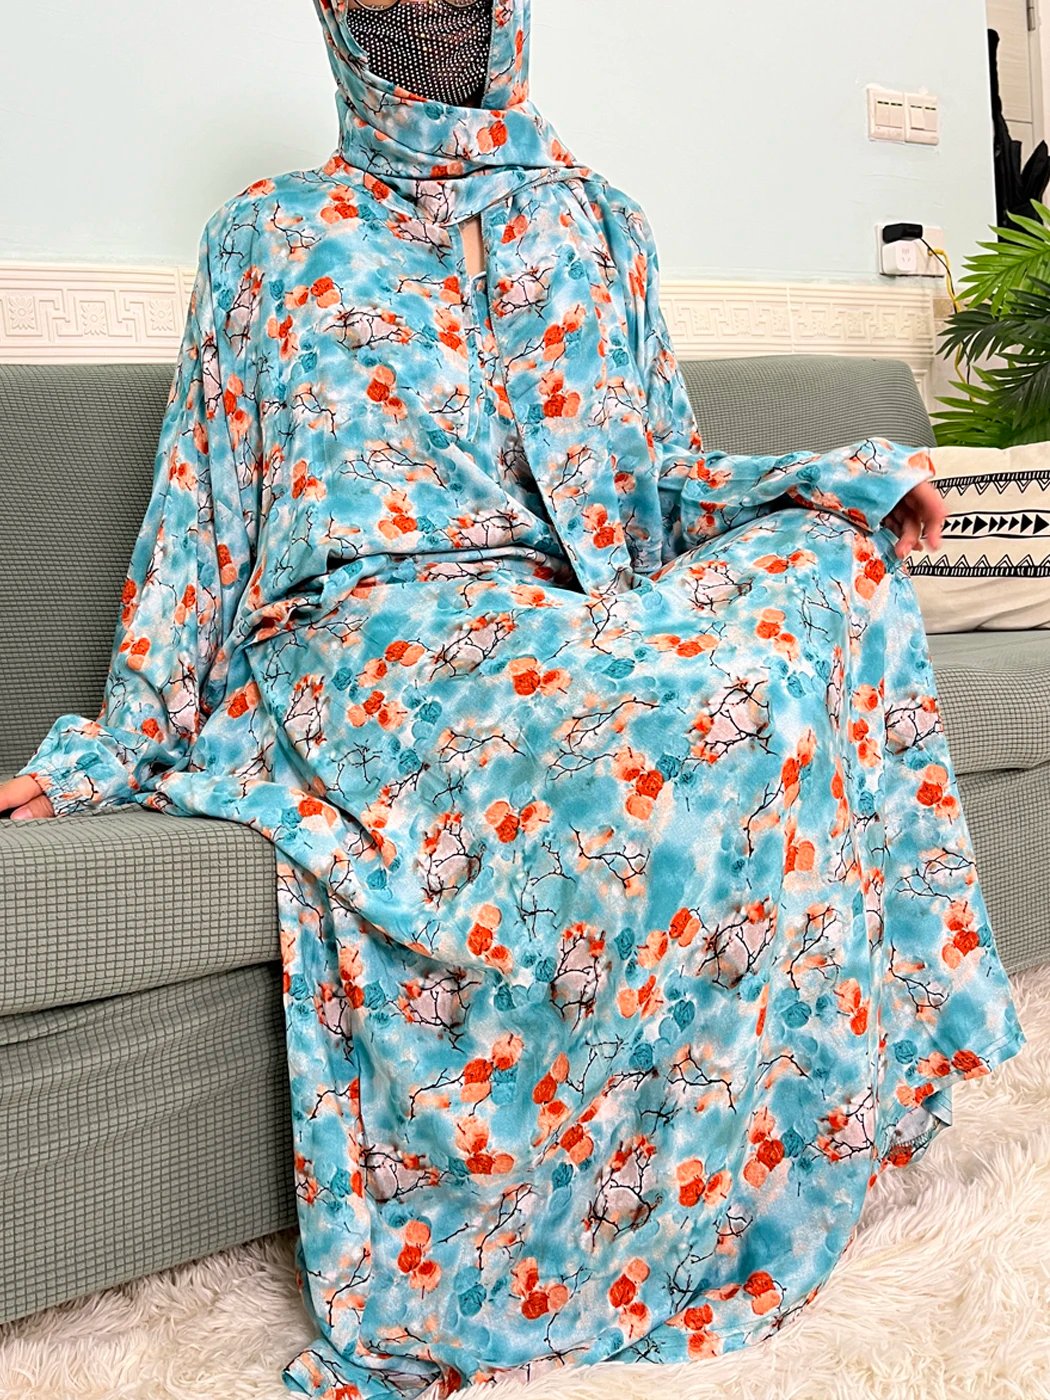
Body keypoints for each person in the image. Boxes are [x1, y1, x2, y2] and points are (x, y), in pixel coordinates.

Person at [1, 1, 1027, 1396]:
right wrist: (109, 750)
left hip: (565, 610)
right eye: (387, 9)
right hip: (373, 639)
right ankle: (562, 1237)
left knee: (823, 577)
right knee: (696, 723)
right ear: (339, 27)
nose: (427, 34)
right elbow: (203, 513)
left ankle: (794, 1116)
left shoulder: (600, 223)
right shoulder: (269, 234)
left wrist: (841, 482)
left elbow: (660, 478)